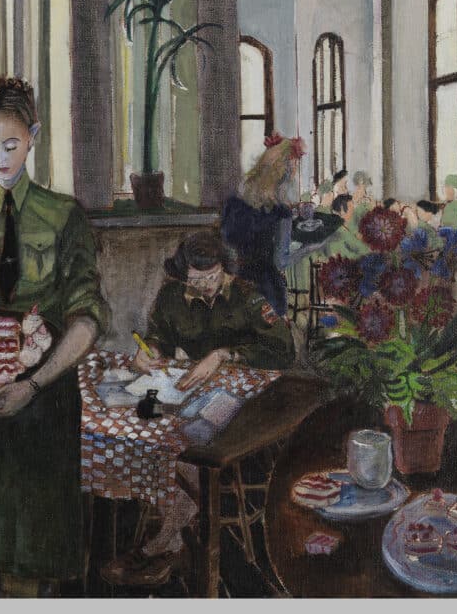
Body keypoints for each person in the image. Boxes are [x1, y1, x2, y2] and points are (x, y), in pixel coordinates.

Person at [0, 77, 109, 597]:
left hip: (45, 396)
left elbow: (87, 319)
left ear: (33, 135)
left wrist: (33, 385)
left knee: (37, 537)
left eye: (10, 144)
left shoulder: (64, 216)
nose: (0, 159)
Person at [104, 231, 294, 586]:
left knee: (189, 438)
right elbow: (158, 334)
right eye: (196, 280)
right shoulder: (171, 296)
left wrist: (224, 355)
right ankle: (175, 538)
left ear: (224, 269)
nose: (205, 286)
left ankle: (166, 542)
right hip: (187, 388)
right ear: (182, 275)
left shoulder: (247, 297)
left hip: (242, 395)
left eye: (212, 278)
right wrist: (151, 352)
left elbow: (283, 350)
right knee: (143, 426)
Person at [220, 132, 307, 317]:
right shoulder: (280, 213)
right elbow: (280, 261)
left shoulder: (235, 205)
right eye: (294, 167)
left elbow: (228, 241)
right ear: (285, 172)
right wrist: (310, 247)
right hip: (267, 290)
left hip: (236, 286)